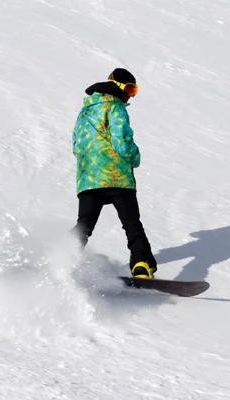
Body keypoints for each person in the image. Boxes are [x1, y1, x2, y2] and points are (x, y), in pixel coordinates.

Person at [70, 68, 157, 279]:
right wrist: (135, 157)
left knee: (84, 225)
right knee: (131, 223)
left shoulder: (85, 112)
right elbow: (122, 141)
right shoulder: (116, 107)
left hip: (89, 179)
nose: (130, 95)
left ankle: (62, 259)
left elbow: (76, 145)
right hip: (116, 177)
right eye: (129, 88)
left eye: (133, 90)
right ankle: (141, 265)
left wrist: (89, 167)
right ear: (117, 86)